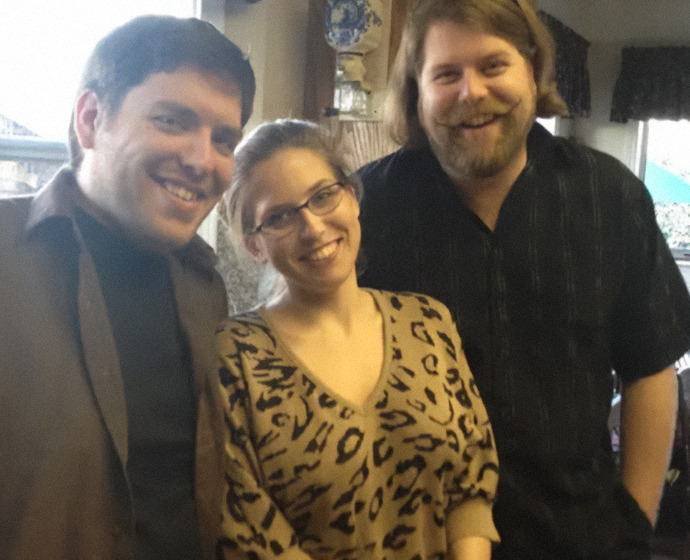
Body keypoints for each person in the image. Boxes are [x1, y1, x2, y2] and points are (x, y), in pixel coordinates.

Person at [356, 0, 690, 558]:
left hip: (580, 539)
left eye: (493, 66)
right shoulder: (365, 209)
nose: (471, 92)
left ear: (534, 70)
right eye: (446, 74)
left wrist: (635, 522)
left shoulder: (608, 195)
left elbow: (650, 368)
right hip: (410, 539)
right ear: (415, 92)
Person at [0, 15, 254, 560]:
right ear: (90, 119)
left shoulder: (204, 285)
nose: (201, 159)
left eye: (225, 140)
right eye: (172, 121)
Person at [216, 119, 500, 559]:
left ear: (352, 196)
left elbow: (469, 490)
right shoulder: (233, 358)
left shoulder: (428, 323)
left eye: (323, 195)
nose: (311, 227)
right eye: (279, 216)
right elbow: (251, 535)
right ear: (255, 246)